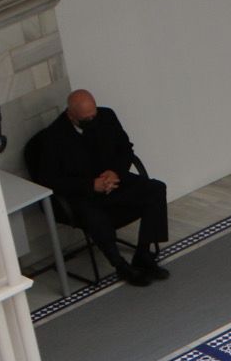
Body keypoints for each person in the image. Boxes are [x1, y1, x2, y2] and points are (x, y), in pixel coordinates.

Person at [32, 90, 170, 286]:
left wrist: (116, 172)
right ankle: (120, 265)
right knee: (95, 217)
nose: (91, 120)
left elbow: (125, 149)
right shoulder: (54, 137)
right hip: (84, 192)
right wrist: (91, 185)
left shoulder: (107, 116)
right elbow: (49, 179)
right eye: (85, 119)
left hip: (114, 181)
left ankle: (143, 254)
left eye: (93, 115)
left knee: (155, 190)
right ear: (70, 115)